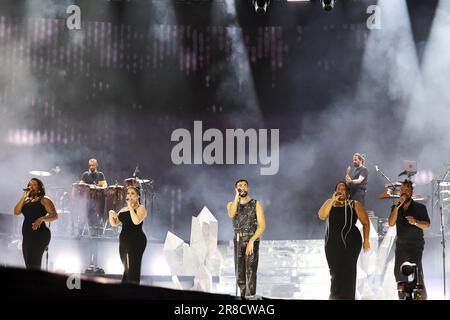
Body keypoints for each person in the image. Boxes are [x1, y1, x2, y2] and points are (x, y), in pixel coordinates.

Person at [318, 181, 370, 300]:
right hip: (332, 242)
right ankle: (335, 296)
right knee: (335, 272)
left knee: (348, 272)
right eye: (338, 188)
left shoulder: (354, 204)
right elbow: (321, 215)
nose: (340, 190)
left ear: (347, 192)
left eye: (343, 188)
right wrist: (332, 200)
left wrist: (366, 241)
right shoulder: (329, 203)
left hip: (351, 242)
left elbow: (366, 222)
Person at [388, 180, 430, 299]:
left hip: (416, 245)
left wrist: (415, 222)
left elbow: (427, 225)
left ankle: (420, 297)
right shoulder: (395, 207)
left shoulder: (420, 207)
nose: (403, 192)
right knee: (398, 272)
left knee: (415, 271)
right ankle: (403, 297)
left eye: (406, 189)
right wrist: (397, 207)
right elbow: (391, 223)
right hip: (401, 245)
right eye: (402, 189)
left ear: (411, 192)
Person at [227, 179, 266, 298]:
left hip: (251, 240)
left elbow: (262, 225)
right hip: (238, 240)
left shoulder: (256, 203)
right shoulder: (231, 204)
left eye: (245, 185)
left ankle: (250, 298)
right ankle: (243, 297)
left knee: (250, 271)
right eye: (240, 185)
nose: (242, 187)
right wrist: (236, 196)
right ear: (236, 188)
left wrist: (252, 240)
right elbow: (231, 214)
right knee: (239, 272)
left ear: (248, 188)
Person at [13, 178, 58, 270]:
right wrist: (23, 197)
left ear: (39, 188)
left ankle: (37, 283)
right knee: (28, 264)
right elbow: (16, 212)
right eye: (30, 185)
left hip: (40, 235)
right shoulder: (26, 201)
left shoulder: (44, 200)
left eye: (34, 185)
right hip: (27, 236)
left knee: (34, 263)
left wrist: (42, 218)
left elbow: (54, 215)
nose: (31, 187)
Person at [109, 186, 147, 284]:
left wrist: (130, 207)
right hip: (124, 241)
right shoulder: (123, 209)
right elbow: (114, 223)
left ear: (138, 196)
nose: (129, 195)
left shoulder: (141, 208)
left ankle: (132, 289)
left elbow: (136, 221)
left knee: (133, 269)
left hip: (136, 240)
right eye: (128, 193)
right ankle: (126, 289)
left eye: (132, 193)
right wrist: (111, 214)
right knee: (126, 268)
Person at [79, 158, 107, 236]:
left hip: (98, 197)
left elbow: (104, 185)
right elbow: (81, 185)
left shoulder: (100, 174)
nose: (91, 167)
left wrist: (98, 186)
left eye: (93, 165)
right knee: (86, 212)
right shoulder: (85, 174)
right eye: (90, 165)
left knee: (98, 213)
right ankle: (85, 229)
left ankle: (98, 230)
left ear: (96, 165)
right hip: (87, 198)